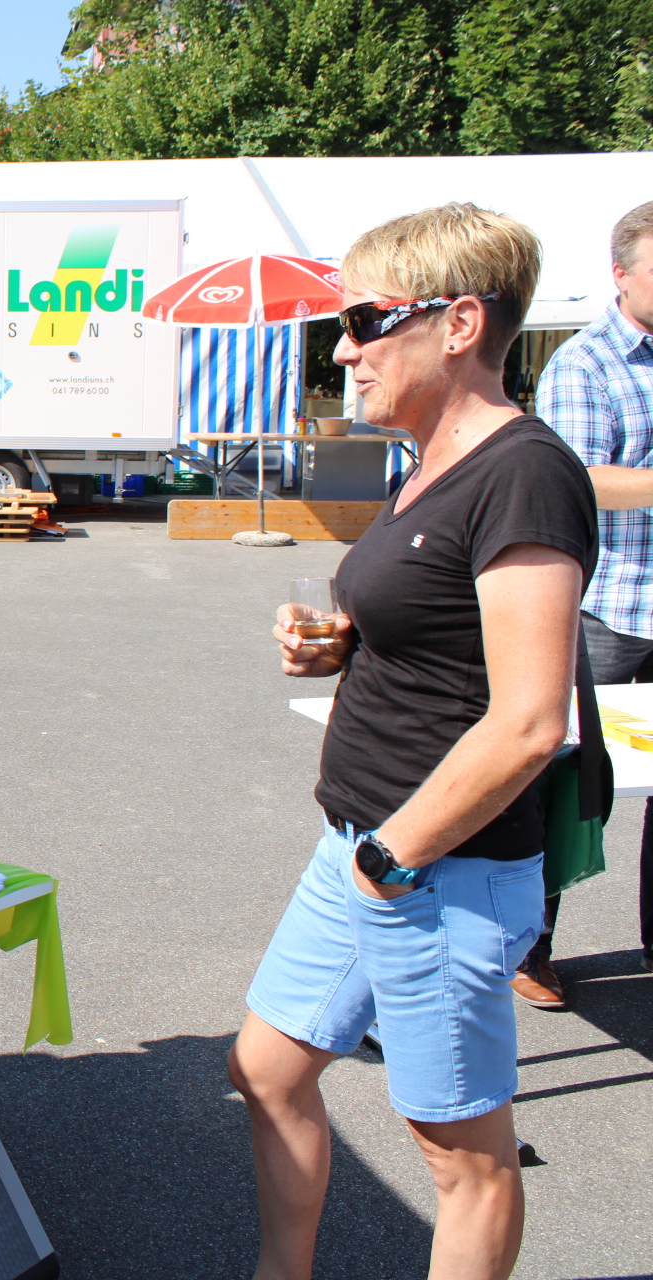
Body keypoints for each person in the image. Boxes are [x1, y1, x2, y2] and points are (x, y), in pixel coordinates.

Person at [232, 203, 595, 1280]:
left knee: (461, 1159)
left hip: (435, 865)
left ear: (460, 323)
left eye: (364, 318)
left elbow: (530, 720)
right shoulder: (427, 460)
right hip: (365, 846)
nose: (341, 346)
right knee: (267, 1067)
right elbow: (448, 642)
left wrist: (391, 859)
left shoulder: (522, 470)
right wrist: (341, 644)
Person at [529, 199, 653, 1008]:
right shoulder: (585, 363)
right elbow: (575, 478)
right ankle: (528, 945)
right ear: (620, 275)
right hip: (615, 609)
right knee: (571, 789)